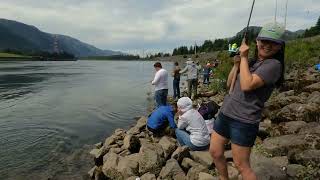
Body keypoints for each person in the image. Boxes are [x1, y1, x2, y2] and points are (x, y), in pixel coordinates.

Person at [209, 22, 286, 180]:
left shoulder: (274, 65)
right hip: (226, 113)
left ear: (280, 46)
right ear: (257, 41)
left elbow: (247, 85)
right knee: (215, 152)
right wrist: (237, 64)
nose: (267, 45)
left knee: (241, 165)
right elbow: (229, 84)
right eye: (264, 41)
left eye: (273, 42)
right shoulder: (250, 63)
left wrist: (243, 57)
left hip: (244, 120)